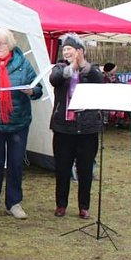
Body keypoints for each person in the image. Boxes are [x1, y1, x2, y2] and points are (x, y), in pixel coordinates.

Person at [0, 28, 43, 220]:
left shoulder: (22, 63)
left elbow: (38, 88)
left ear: (10, 44)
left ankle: (14, 203)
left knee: (15, 163)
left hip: (18, 121)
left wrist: (32, 91)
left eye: (2, 43)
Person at [49, 33, 103, 219]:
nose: (66, 52)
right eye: (64, 49)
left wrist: (81, 66)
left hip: (87, 129)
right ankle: (61, 204)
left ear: (80, 51)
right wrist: (71, 68)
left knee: (85, 169)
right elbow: (54, 79)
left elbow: (99, 78)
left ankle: (84, 206)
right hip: (63, 127)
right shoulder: (60, 68)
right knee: (62, 168)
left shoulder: (91, 70)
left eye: (69, 49)